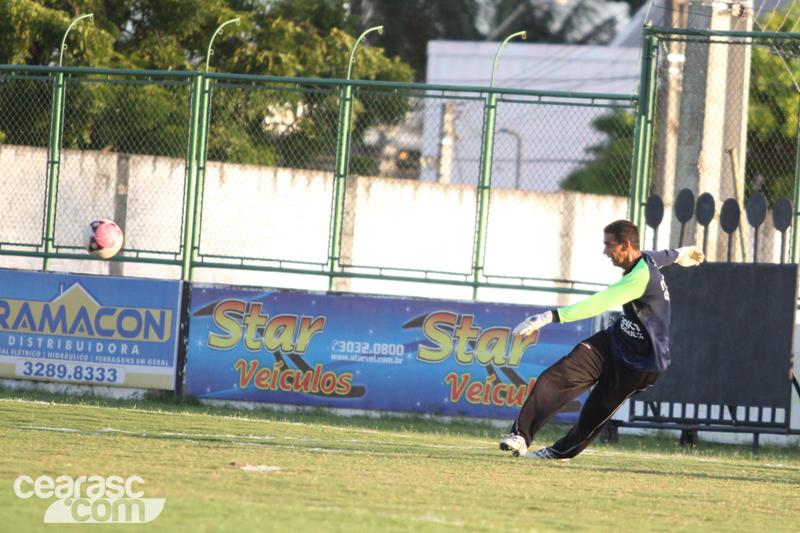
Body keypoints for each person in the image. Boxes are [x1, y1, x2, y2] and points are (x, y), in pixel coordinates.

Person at [499, 220, 704, 461]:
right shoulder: (645, 258)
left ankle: (559, 453)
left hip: (640, 363)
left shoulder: (640, 277)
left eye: (609, 245)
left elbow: (598, 303)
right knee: (557, 376)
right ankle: (520, 436)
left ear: (626, 245)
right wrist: (683, 252)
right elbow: (665, 255)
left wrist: (549, 316)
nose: (605, 251)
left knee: (593, 415)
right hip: (613, 342)